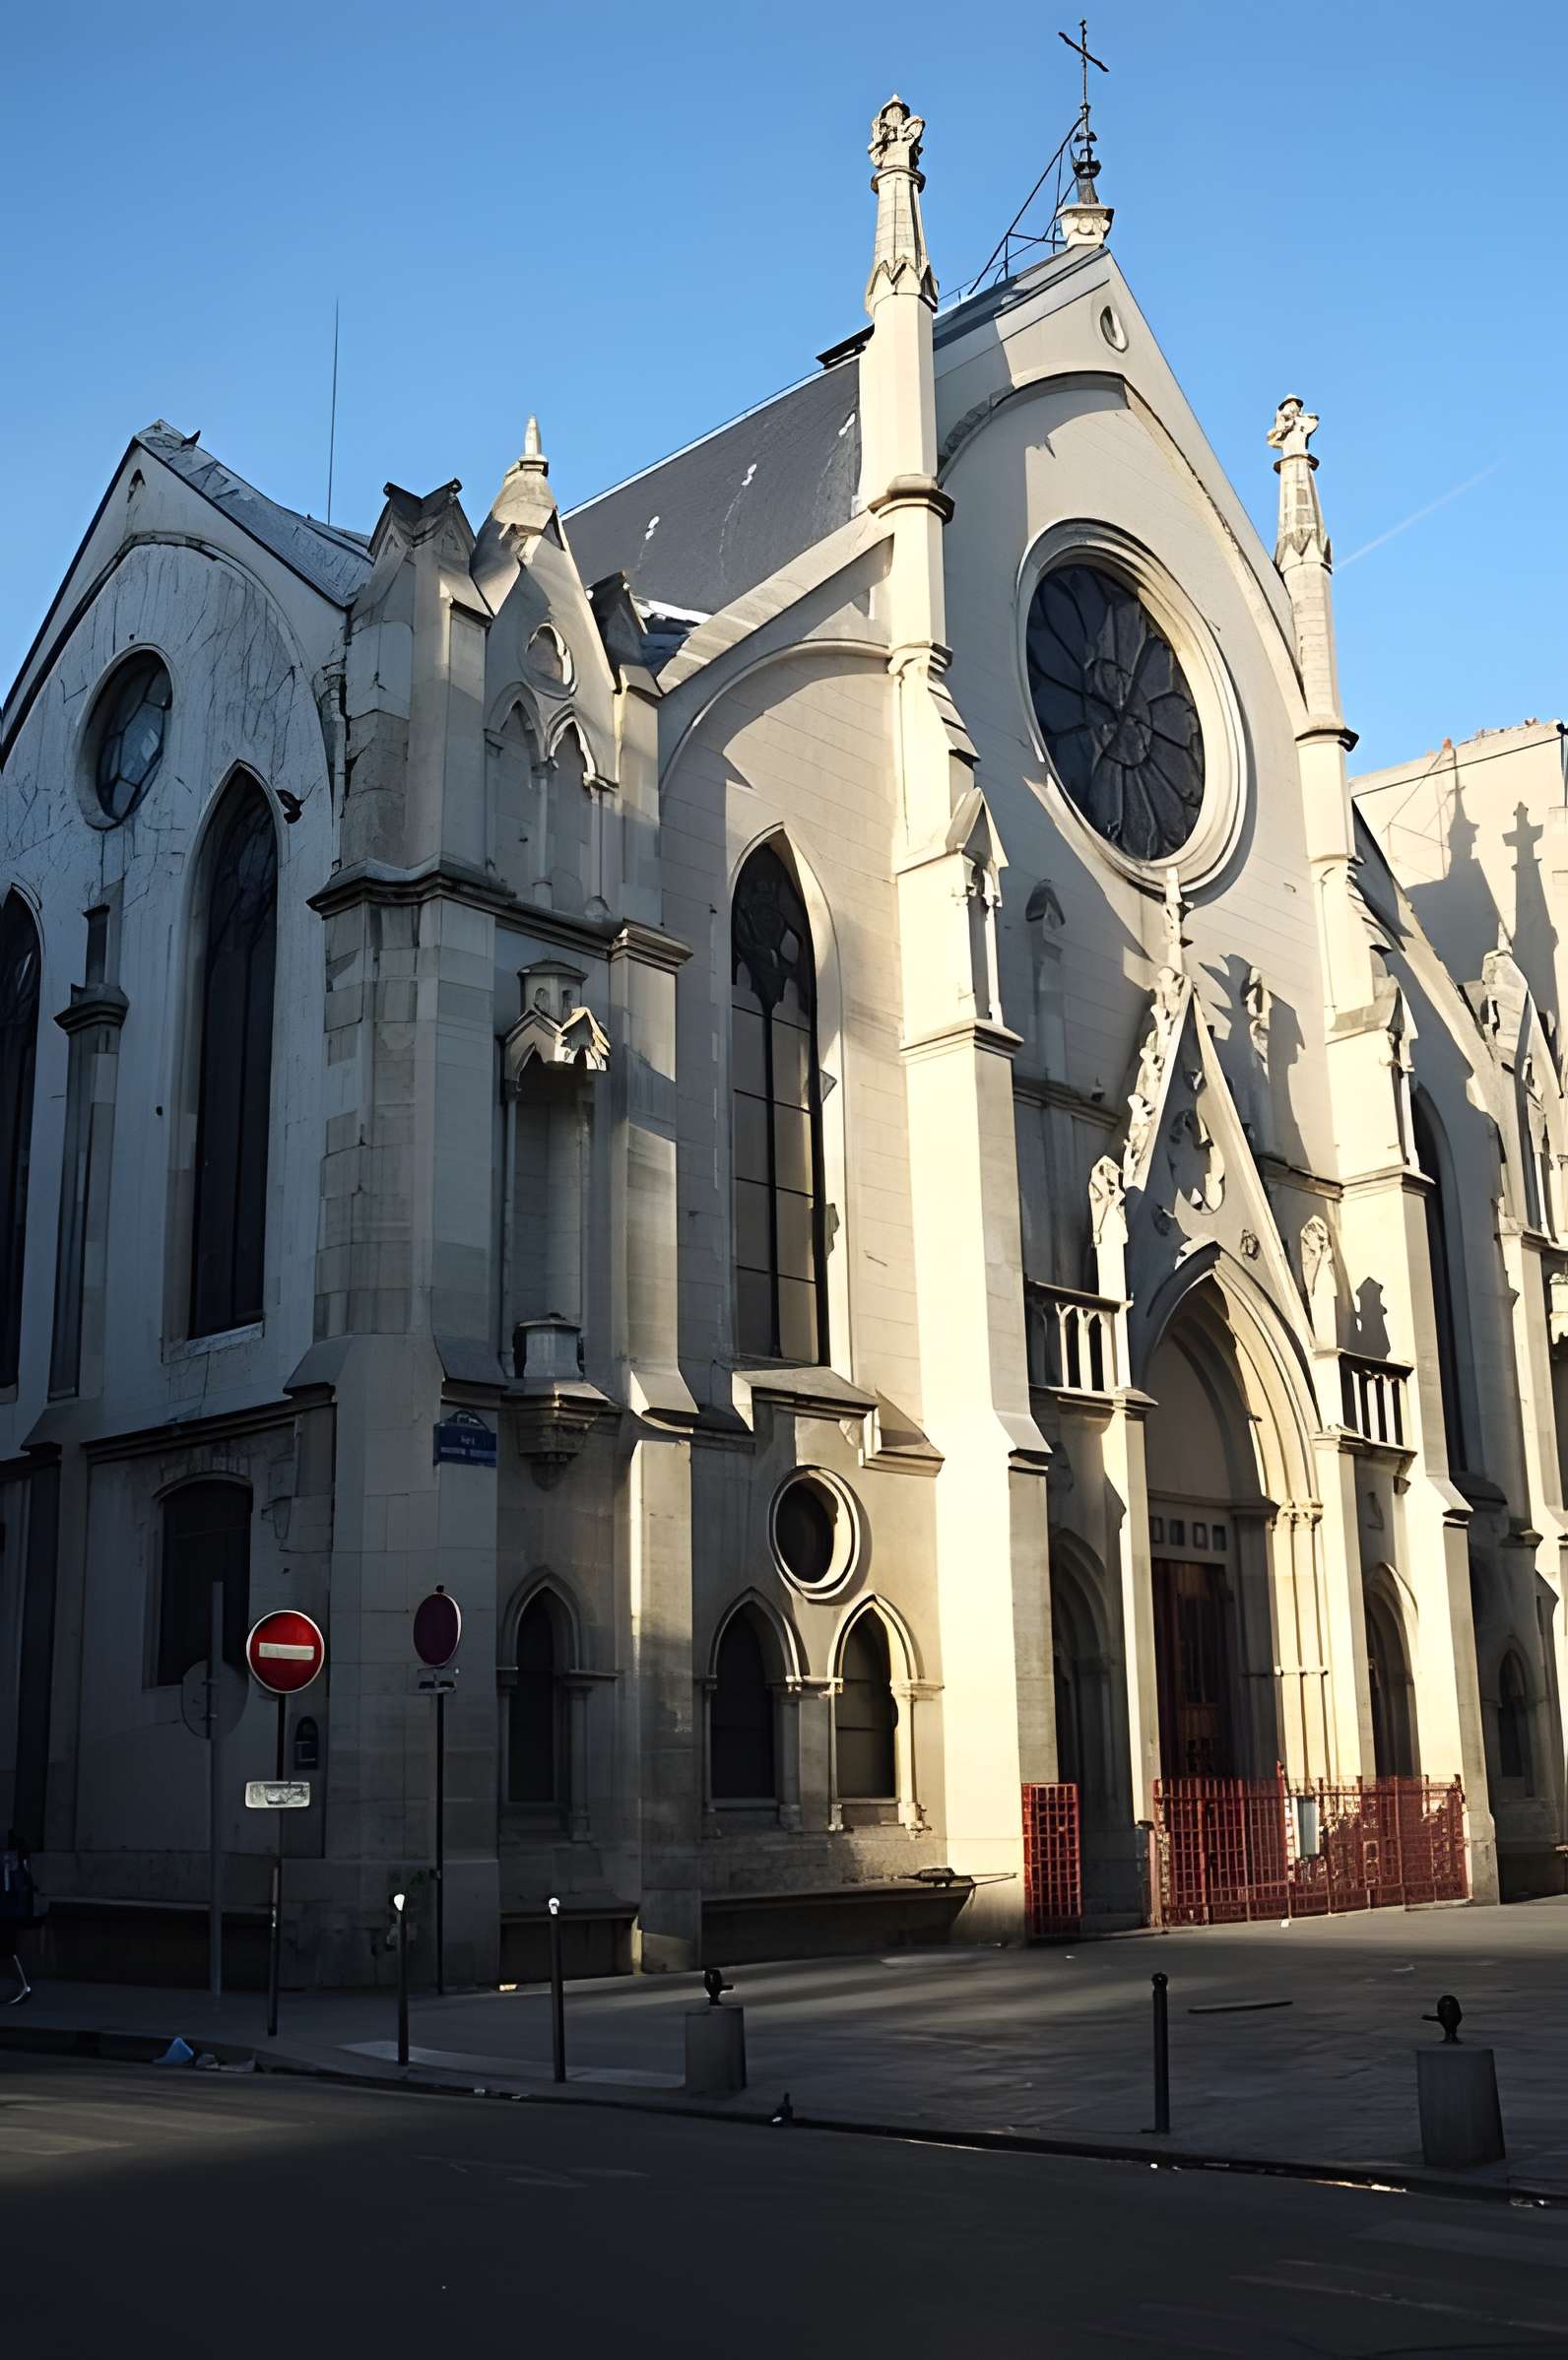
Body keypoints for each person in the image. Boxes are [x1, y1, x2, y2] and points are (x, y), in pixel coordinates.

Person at [0, 1828, 36, 2003]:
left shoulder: (10, 1861)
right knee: (8, 1950)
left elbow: (7, 1887)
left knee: (8, 1950)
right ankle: (22, 1986)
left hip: (7, 1912)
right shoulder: (15, 1861)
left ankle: (23, 1986)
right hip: (10, 1911)